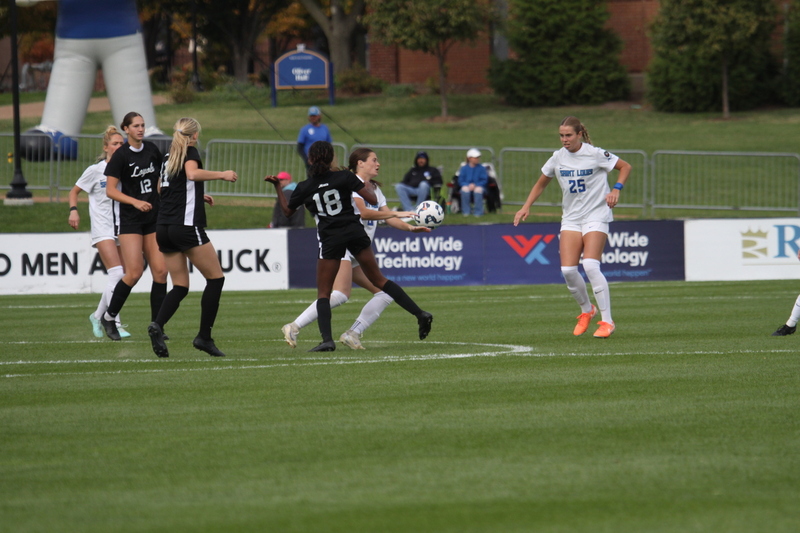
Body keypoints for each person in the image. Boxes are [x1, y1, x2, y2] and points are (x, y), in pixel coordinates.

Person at [267, 141, 433, 352]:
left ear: (310, 160)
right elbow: (368, 202)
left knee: (324, 294)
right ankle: (419, 314)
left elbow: (287, 211)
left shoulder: (305, 186)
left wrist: (277, 188)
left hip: (331, 239)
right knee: (379, 282)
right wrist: (359, 186)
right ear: (331, 159)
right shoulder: (345, 178)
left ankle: (327, 339)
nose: (377, 163)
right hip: (354, 234)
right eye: (374, 160)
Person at [513, 116, 631, 339]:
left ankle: (607, 321)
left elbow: (625, 166)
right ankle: (587, 310)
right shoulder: (558, 157)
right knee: (567, 271)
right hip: (571, 218)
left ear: (579, 135)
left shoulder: (595, 153)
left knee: (590, 265)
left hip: (596, 214)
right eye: (561, 135)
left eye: (568, 135)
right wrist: (526, 206)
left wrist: (616, 189)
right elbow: (541, 182)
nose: (564, 139)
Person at [146, 117, 238, 358]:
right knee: (216, 279)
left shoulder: (168, 157)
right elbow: (192, 174)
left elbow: (160, 189)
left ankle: (157, 324)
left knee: (180, 285)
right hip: (185, 226)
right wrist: (222, 174)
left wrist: (198, 196)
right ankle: (204, 338)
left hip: (163, 227)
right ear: (194, 135)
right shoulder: (190, 151)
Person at [99, 111, 168, 341]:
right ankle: (109, 318)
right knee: (135, 272)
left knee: (160, 271)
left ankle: (157, 326)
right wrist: (135, 202)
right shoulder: (120, 156)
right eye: (135, 126)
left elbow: (160, 182)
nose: (140, 129)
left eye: (142, 125)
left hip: (152, 218)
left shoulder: (151, 150)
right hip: (130, 220)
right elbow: (110, 191)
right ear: (126, 129)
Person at [67, 125, 131, 338]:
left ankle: (97, 315)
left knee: (122, 276)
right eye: (115, 143)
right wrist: (74, 211)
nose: (119, 147)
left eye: (122, 143)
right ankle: (115, 323)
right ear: (106, 147)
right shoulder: (95, 170)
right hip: (102, 227)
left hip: (123, 227)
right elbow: (74, 192)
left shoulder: (126, 168)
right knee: (117, 273)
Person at [458, 148, 489, 217]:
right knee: (464, 189)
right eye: (475, 158)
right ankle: (466, 211)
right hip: (467, 186)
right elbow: (461, 180)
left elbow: (484, 180)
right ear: (469, 158)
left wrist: (476, 185)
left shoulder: (482, 168)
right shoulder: (464, 168)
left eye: (478, 157)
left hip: (478, 186)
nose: (477, 159)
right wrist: (467, 185)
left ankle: (478, 212)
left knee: (478, 190)